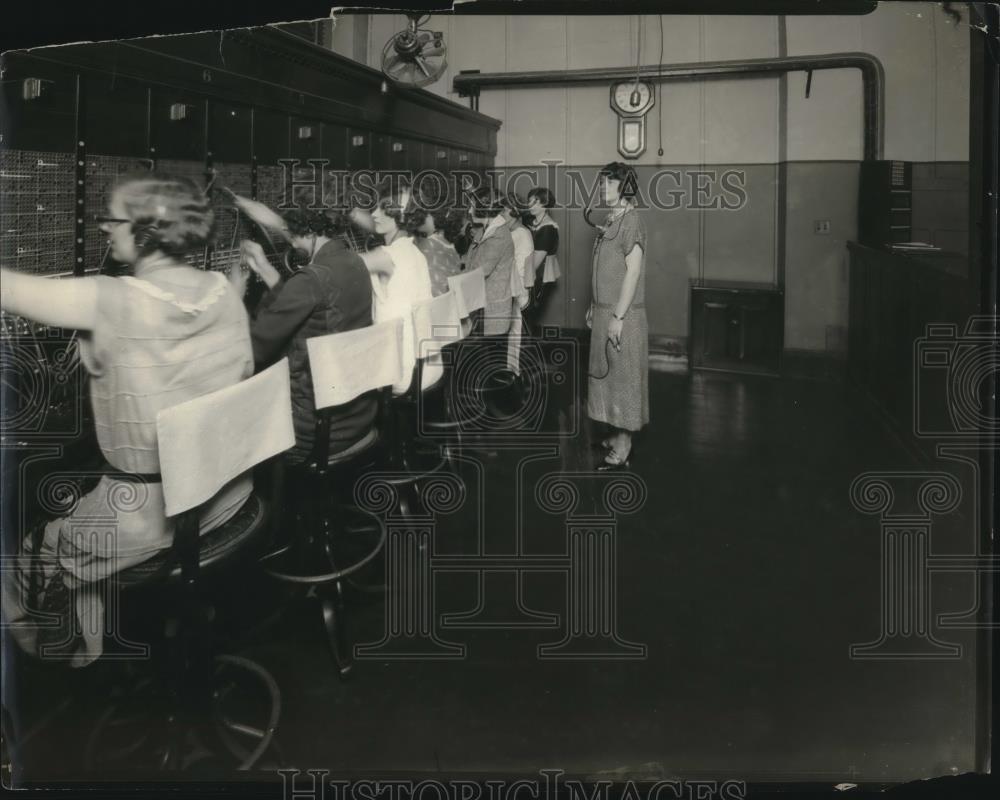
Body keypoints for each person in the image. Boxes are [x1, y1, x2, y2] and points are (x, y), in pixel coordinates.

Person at [0, 173, 254, 666]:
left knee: (32, 543)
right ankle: (93, 641)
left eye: (111, 219)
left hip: (147, 520)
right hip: (229, 496)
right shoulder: (225, 289)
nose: (102, 229)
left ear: (145, 230)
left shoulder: (112, 298)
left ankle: (60, 657)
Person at [237, 208, 378, 465]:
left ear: (312, 232)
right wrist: (266, 269)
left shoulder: (311, 279)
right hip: (358, 416)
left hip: (311, 430)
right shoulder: (355, 262)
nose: (291, 243)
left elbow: (256, 348)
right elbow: (311, 302)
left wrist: (234, 297)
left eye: (293, 236)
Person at [587, 162, 649, 471]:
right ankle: (614, 435)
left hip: (622, 315)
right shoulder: (614, 219)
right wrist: (596, 305)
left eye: (609, 183)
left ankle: (624, 446)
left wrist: (618, 316)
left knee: (623, 379)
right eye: (602, 183)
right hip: (604, 310)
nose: (602, 188)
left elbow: (633, 272)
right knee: (608, 377)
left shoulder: (631, 221)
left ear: (624, 187)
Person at [357, 188, 433, 395]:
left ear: (399, 216)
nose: (373, 214)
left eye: (382, 209)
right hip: (426, 367)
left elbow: (342, 266)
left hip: (399, 373)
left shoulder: (387, 255)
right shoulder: (415, 252)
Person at [499, 193, 533, 375]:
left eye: (504, 212)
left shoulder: (517, 235)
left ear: (514, 212)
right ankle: (510, 368)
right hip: (521, 289)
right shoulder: (523, 231)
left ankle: (510, 370)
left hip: (517, 291)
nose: (501, 216)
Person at [525, 186, 560, 325]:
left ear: (545, 204)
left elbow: (534, 265)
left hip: (541, 278)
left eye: (536, 202)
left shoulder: (548, 228)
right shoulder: (530, 220)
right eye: (529, 201)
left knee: (528, 318)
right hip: (531, 274)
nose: (530, 205)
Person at [414, 205, 464, 297]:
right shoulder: (449, 245)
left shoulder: (428, 244)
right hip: (449, 300)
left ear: (436, 219)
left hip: (433, 301)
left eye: (426, 215)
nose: (421, 220)